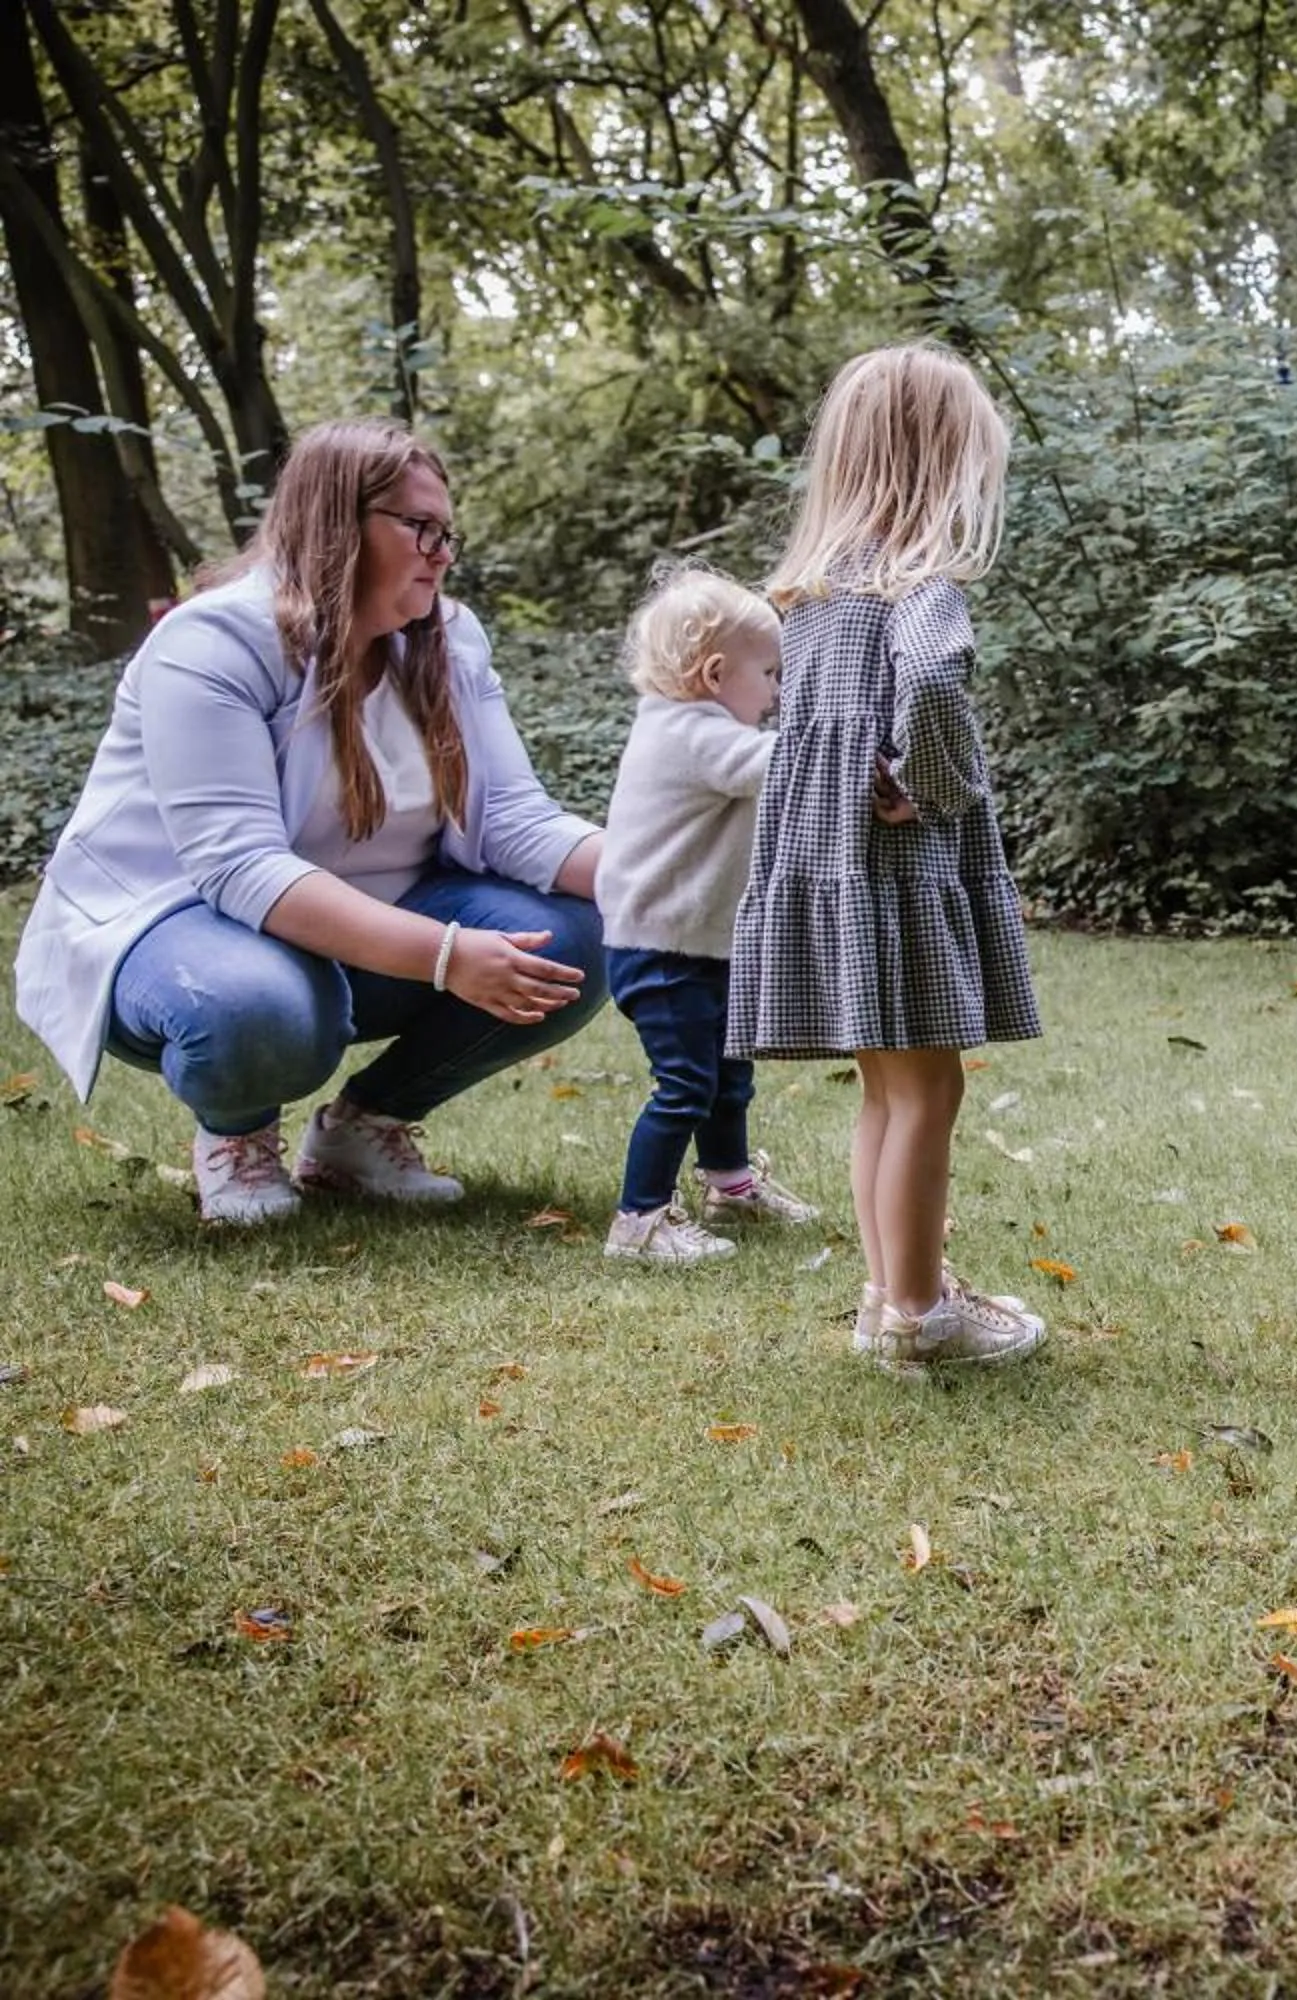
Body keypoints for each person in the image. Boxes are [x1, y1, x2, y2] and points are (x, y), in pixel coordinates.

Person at [12, 418, 606, 1226]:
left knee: (576, 938)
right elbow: (240, 867)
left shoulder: (450, 639)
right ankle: (238, 1135)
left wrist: (669, 885)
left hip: (378, 923)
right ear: (337, 522)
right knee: (262, 1008)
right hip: (184, 927)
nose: (442, 552)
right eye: (419, 528)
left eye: (447, 532)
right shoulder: (214, 640)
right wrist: (444, 954)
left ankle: (363, 1132)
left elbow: (509, 816)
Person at [730, 342, 1046, 1373]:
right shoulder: (922, 585)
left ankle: (888, 1293)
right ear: (947, 465)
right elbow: (937, 679)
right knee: (931, 1092)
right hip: (896, 875)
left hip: (836, 874)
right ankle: (919, 1312)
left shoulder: (812, 596)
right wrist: (938, 786)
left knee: (886, 1089)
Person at [597, 566, 823, 1264]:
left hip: (698, 945)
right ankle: (639, 1222)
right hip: (660, 950)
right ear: (718, 672)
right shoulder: (689, 732)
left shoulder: (691, 725)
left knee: (729, 1073)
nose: (778, 692)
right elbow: (772, 764)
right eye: (772, 674)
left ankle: (730, 1186)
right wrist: (838, 735)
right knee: (686, 1085)